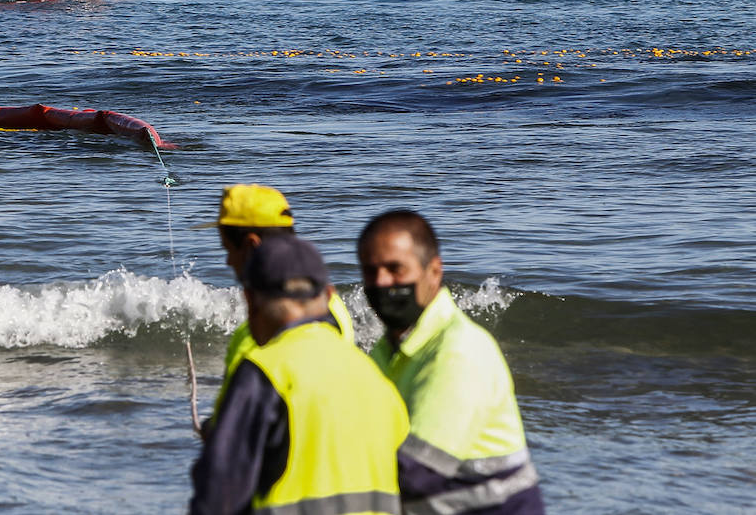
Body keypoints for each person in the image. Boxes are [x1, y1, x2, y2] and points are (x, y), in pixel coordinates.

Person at [189, 235, 409, 515]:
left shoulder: (265, 371)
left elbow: (218, 496)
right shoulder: (375, 376)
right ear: (329, 295)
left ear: (250, 300)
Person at [357, 210, 546, 515]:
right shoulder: (387, 350)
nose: (381, 282)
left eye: (395, 269)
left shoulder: (458, 352)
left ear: (434, 271)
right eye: (370, 271)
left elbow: (416, 474)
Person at [201, 184, 356, 409]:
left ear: (251, 245)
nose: (228, 261)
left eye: (228, 250)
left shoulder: (267, 325)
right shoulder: (329, 303)